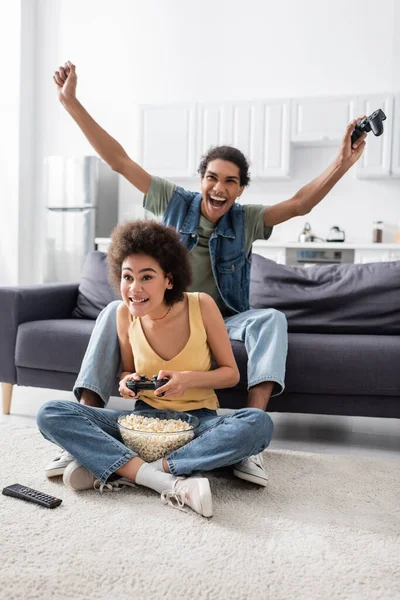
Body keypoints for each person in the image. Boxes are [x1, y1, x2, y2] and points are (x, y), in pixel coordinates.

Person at [45, 61, 367, 484]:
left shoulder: (247, 220)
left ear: (241, 189)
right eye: (213, 178)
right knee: (110, 312)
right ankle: (83, 429)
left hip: (223, 318)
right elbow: (120, 162)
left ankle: (250, 434)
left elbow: (300, 203)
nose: (220, 188)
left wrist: (343, 161)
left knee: (271, 318)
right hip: (167, 314)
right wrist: (71, 103)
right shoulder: (173, 202)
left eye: (231, 182)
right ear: (201, 179)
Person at [37, 220, 274, 518]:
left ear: (169, 280)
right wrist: (127, 382)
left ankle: (128, 470)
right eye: (127, 277)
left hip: (197, 425)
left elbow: (231, 374)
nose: (134, 289)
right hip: (139, 423)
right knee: (51, 413)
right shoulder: (124, 314)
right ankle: (168, 479)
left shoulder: (201, 305)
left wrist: (187, 380)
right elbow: (126, 371)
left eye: (146, 277)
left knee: (258, 424)